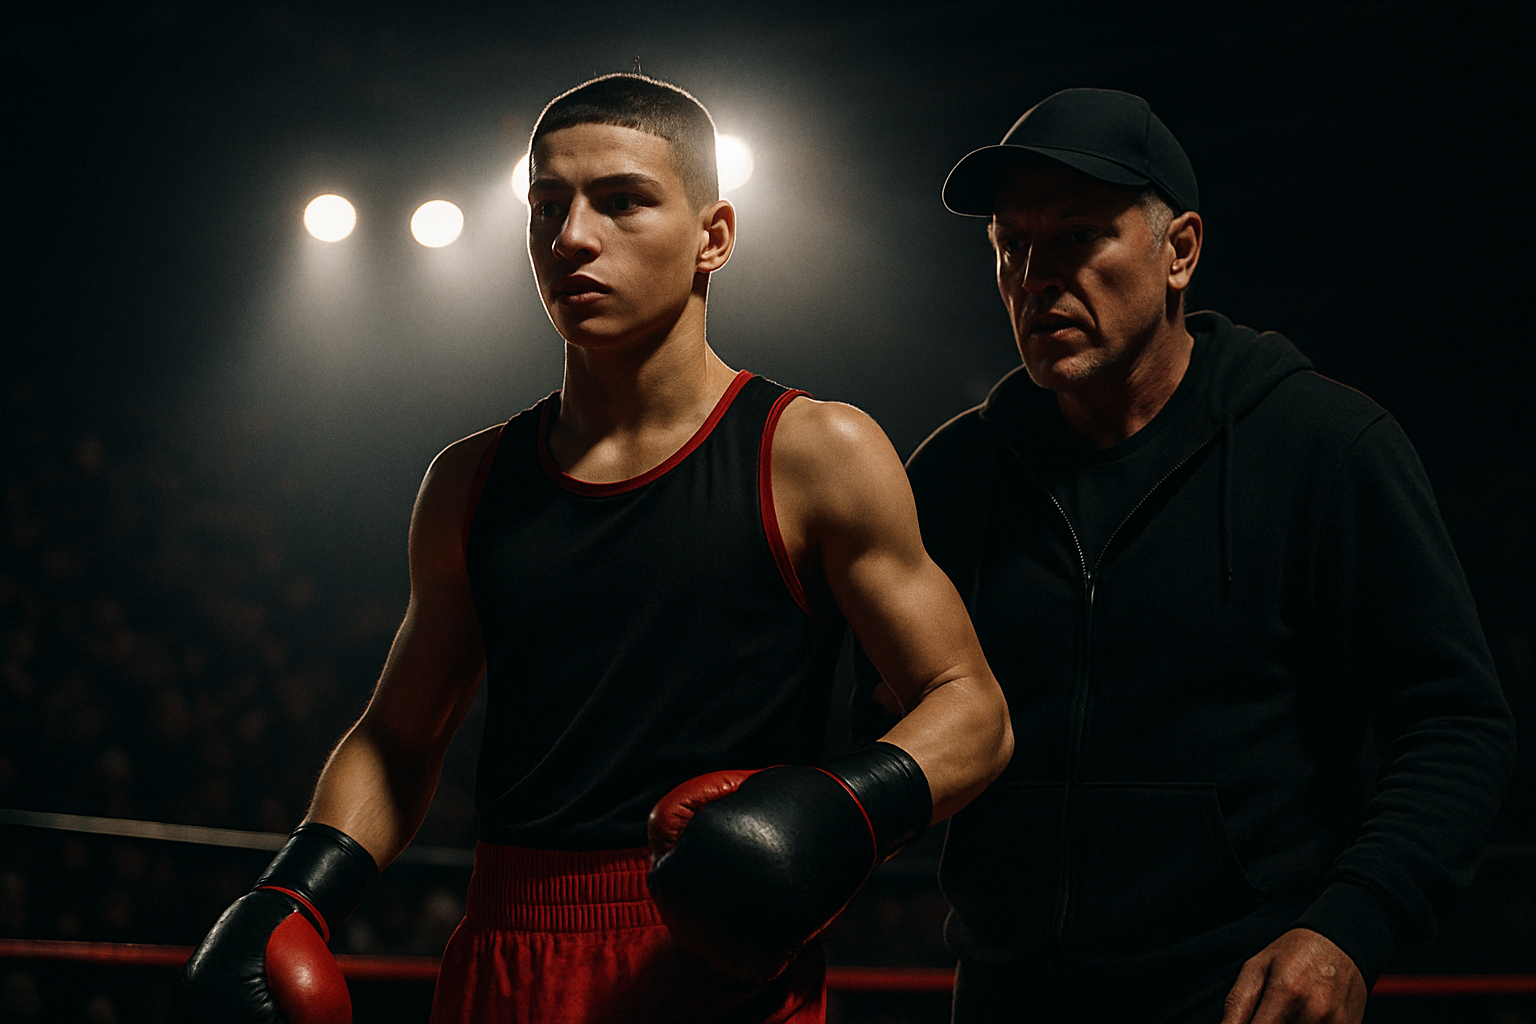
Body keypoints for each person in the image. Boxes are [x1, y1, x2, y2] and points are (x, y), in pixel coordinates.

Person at [169, 73, 1012, 1024]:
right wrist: (295, 890)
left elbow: (973, 711)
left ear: (714, 237)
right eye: (547, 207)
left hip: (713, 963)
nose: (571, 236)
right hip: (502, 959)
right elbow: (398, 740)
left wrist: (835, 809)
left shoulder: (813, 452)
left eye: (622, 201)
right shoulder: (470, 481)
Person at [893, 87, 1516, 1023]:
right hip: (1003, 998)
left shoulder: (1324, 447)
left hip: (1237, 999)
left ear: (1178, 251)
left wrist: (1352, 925)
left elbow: (1455, 724)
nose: (1034, 274)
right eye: (1010, 245)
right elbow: (880, 718)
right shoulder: (954, 476)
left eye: (1077, 236)